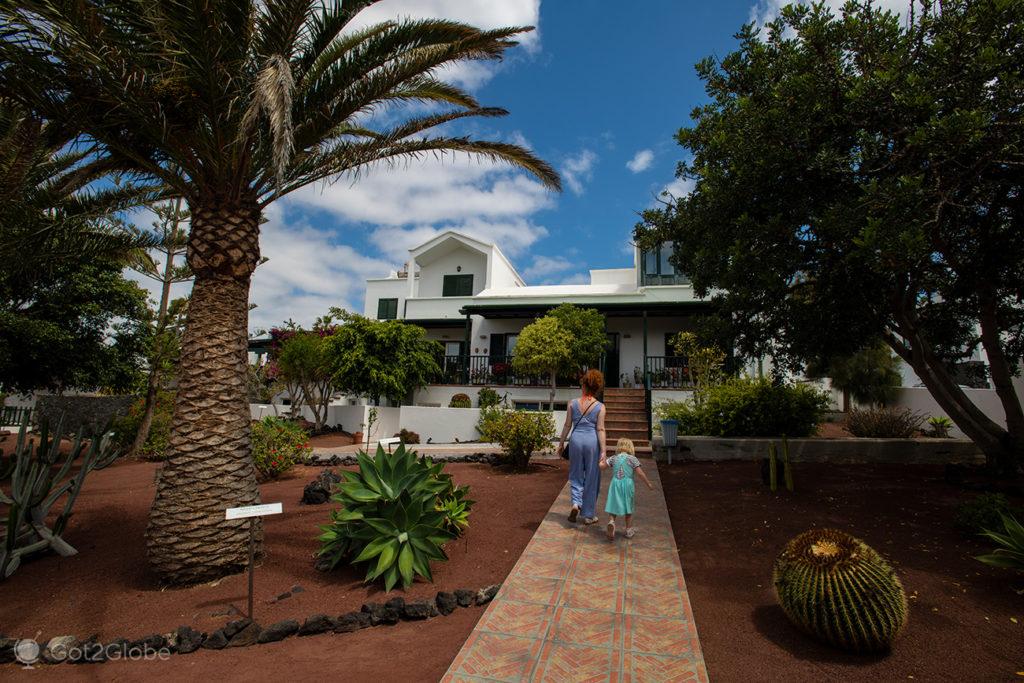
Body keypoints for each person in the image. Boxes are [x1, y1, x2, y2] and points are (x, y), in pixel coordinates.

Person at [556, 369, 606, 525]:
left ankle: (576, 503)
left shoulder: (572, 403)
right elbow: (600, 429)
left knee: (576, 473)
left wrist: (561, 442)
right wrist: (604, 450)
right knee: (592, 476)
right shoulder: (600, 407)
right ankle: (588, 515)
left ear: (584, 385)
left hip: (576, 439)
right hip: (592, 441)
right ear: (597, 387)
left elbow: (567, 425)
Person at [600, 437, 653, 539]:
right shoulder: (632, 459)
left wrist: (601, 460)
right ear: (630, 447)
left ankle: (611, 522)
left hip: (615, 484)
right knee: (628, 506)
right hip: (628, 484)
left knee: (613, 504)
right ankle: (628, 530)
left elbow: (602, 467)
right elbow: (640, 473)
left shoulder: (613, 458)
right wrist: (648, 483)